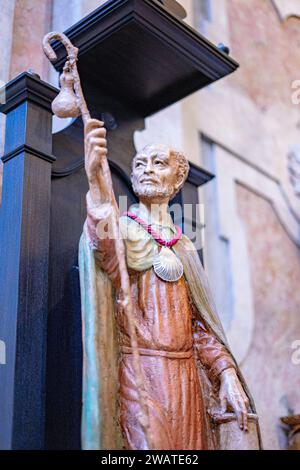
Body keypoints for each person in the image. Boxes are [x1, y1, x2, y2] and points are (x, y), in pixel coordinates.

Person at [79, 119, 258, 450]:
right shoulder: (122, 231)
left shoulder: (184, 247)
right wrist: (95, 179)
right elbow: (107, 256)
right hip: (141, 369)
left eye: (158, 163)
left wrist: (226, 372)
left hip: (187, 379)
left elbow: (199, 327)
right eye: (140, 164)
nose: (146, 170)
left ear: (178, 179)